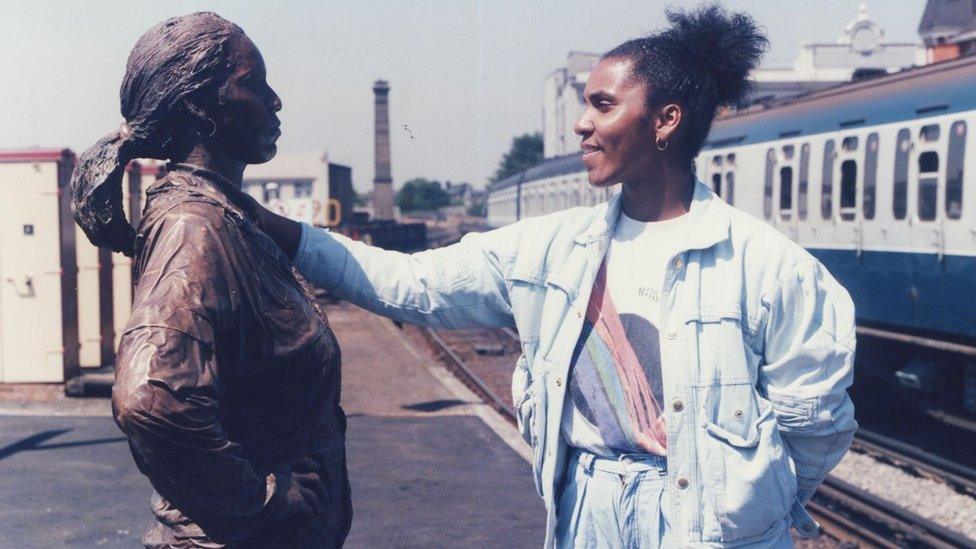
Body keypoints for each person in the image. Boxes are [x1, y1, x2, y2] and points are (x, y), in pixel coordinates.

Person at [257, 4, 856, 548]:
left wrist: (748, 512)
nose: (580, 125)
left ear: (665, 121)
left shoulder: (769, 268)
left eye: (603, 104)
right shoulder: (553, 248)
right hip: (587, 508)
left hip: (703, 524)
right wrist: (272, 226)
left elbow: (817, 425)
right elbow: (411, 284)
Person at [71, 13, 351, 548]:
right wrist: (261, 500)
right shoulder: (194, 228)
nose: (275, 100)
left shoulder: (222, 217)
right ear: (202, 107)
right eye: (253, 83)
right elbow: (150, 399)